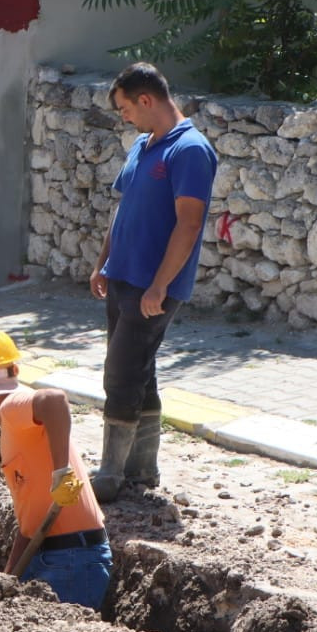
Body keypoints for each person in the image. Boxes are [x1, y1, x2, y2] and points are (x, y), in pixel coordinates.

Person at [88, 62, 218, 502]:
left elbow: (189, 223)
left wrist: (160, 286)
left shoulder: (190, 150)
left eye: (125, 108)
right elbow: (124, 209)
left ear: (146, 100)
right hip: (123, 278)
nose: (124, 117)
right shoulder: (143, 145)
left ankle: (111, 473)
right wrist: (103, 263)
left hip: (152, 286)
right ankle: (141, 469)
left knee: (121, 373)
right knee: (138, 369)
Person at [0, 327, 112, 610]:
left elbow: (55, 400)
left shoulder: (11, 407)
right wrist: (8, 578)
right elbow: (29, 524)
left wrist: (61, 473)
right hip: (51, 554)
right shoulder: (16, 427)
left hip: (73, 558)